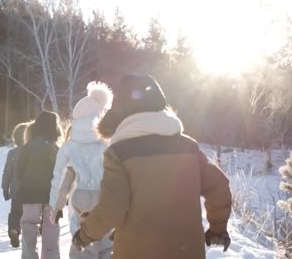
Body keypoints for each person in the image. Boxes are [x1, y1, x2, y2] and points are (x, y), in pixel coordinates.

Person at [72, 75, 232, 259]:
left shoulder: (119, 153)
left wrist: (85, 234)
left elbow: (113, 206)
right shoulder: (188, 147)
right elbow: (219, 185)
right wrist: (217, 229)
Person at [49, 82, 113, 259]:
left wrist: (55, 205)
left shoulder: (69, 147)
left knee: (83, 243)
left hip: (79, 200)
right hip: (106, 199)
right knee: (108, 244)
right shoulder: (110, 143)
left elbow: (58, 178)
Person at [16, 111, 63, 259]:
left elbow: (19, 170)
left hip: (29, 194)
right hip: (52, 196)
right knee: (51, 230)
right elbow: (62, 173)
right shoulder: (56, 149)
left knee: (29, 228)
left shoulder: (28, 147)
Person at [2, 121, 32, 248]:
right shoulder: (33, 151)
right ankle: (36, 231)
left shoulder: (12, 153)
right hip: (32, 189)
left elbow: (7, 172)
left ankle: (14, 230)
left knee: (15, 212)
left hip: (16, 190)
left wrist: (5, 188)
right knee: (33, 212)